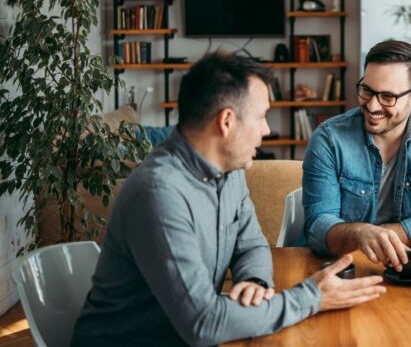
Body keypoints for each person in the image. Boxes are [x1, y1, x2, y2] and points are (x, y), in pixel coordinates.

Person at [72, 52, 386, 346]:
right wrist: (312, 297)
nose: (266, 130)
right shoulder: (158, 194)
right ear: (226, 122)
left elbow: (251, 243)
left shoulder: (228, 168)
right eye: (262, 117)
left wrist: (255, 283)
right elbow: (203, 324)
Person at [303, 40, 411, 272]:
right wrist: (360, 234)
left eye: (388, 97)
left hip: (407, 270)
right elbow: (317, 228)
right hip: (342, 270)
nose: (373, 106)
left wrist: (376, 235)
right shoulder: (328, 138)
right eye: (367, 90)